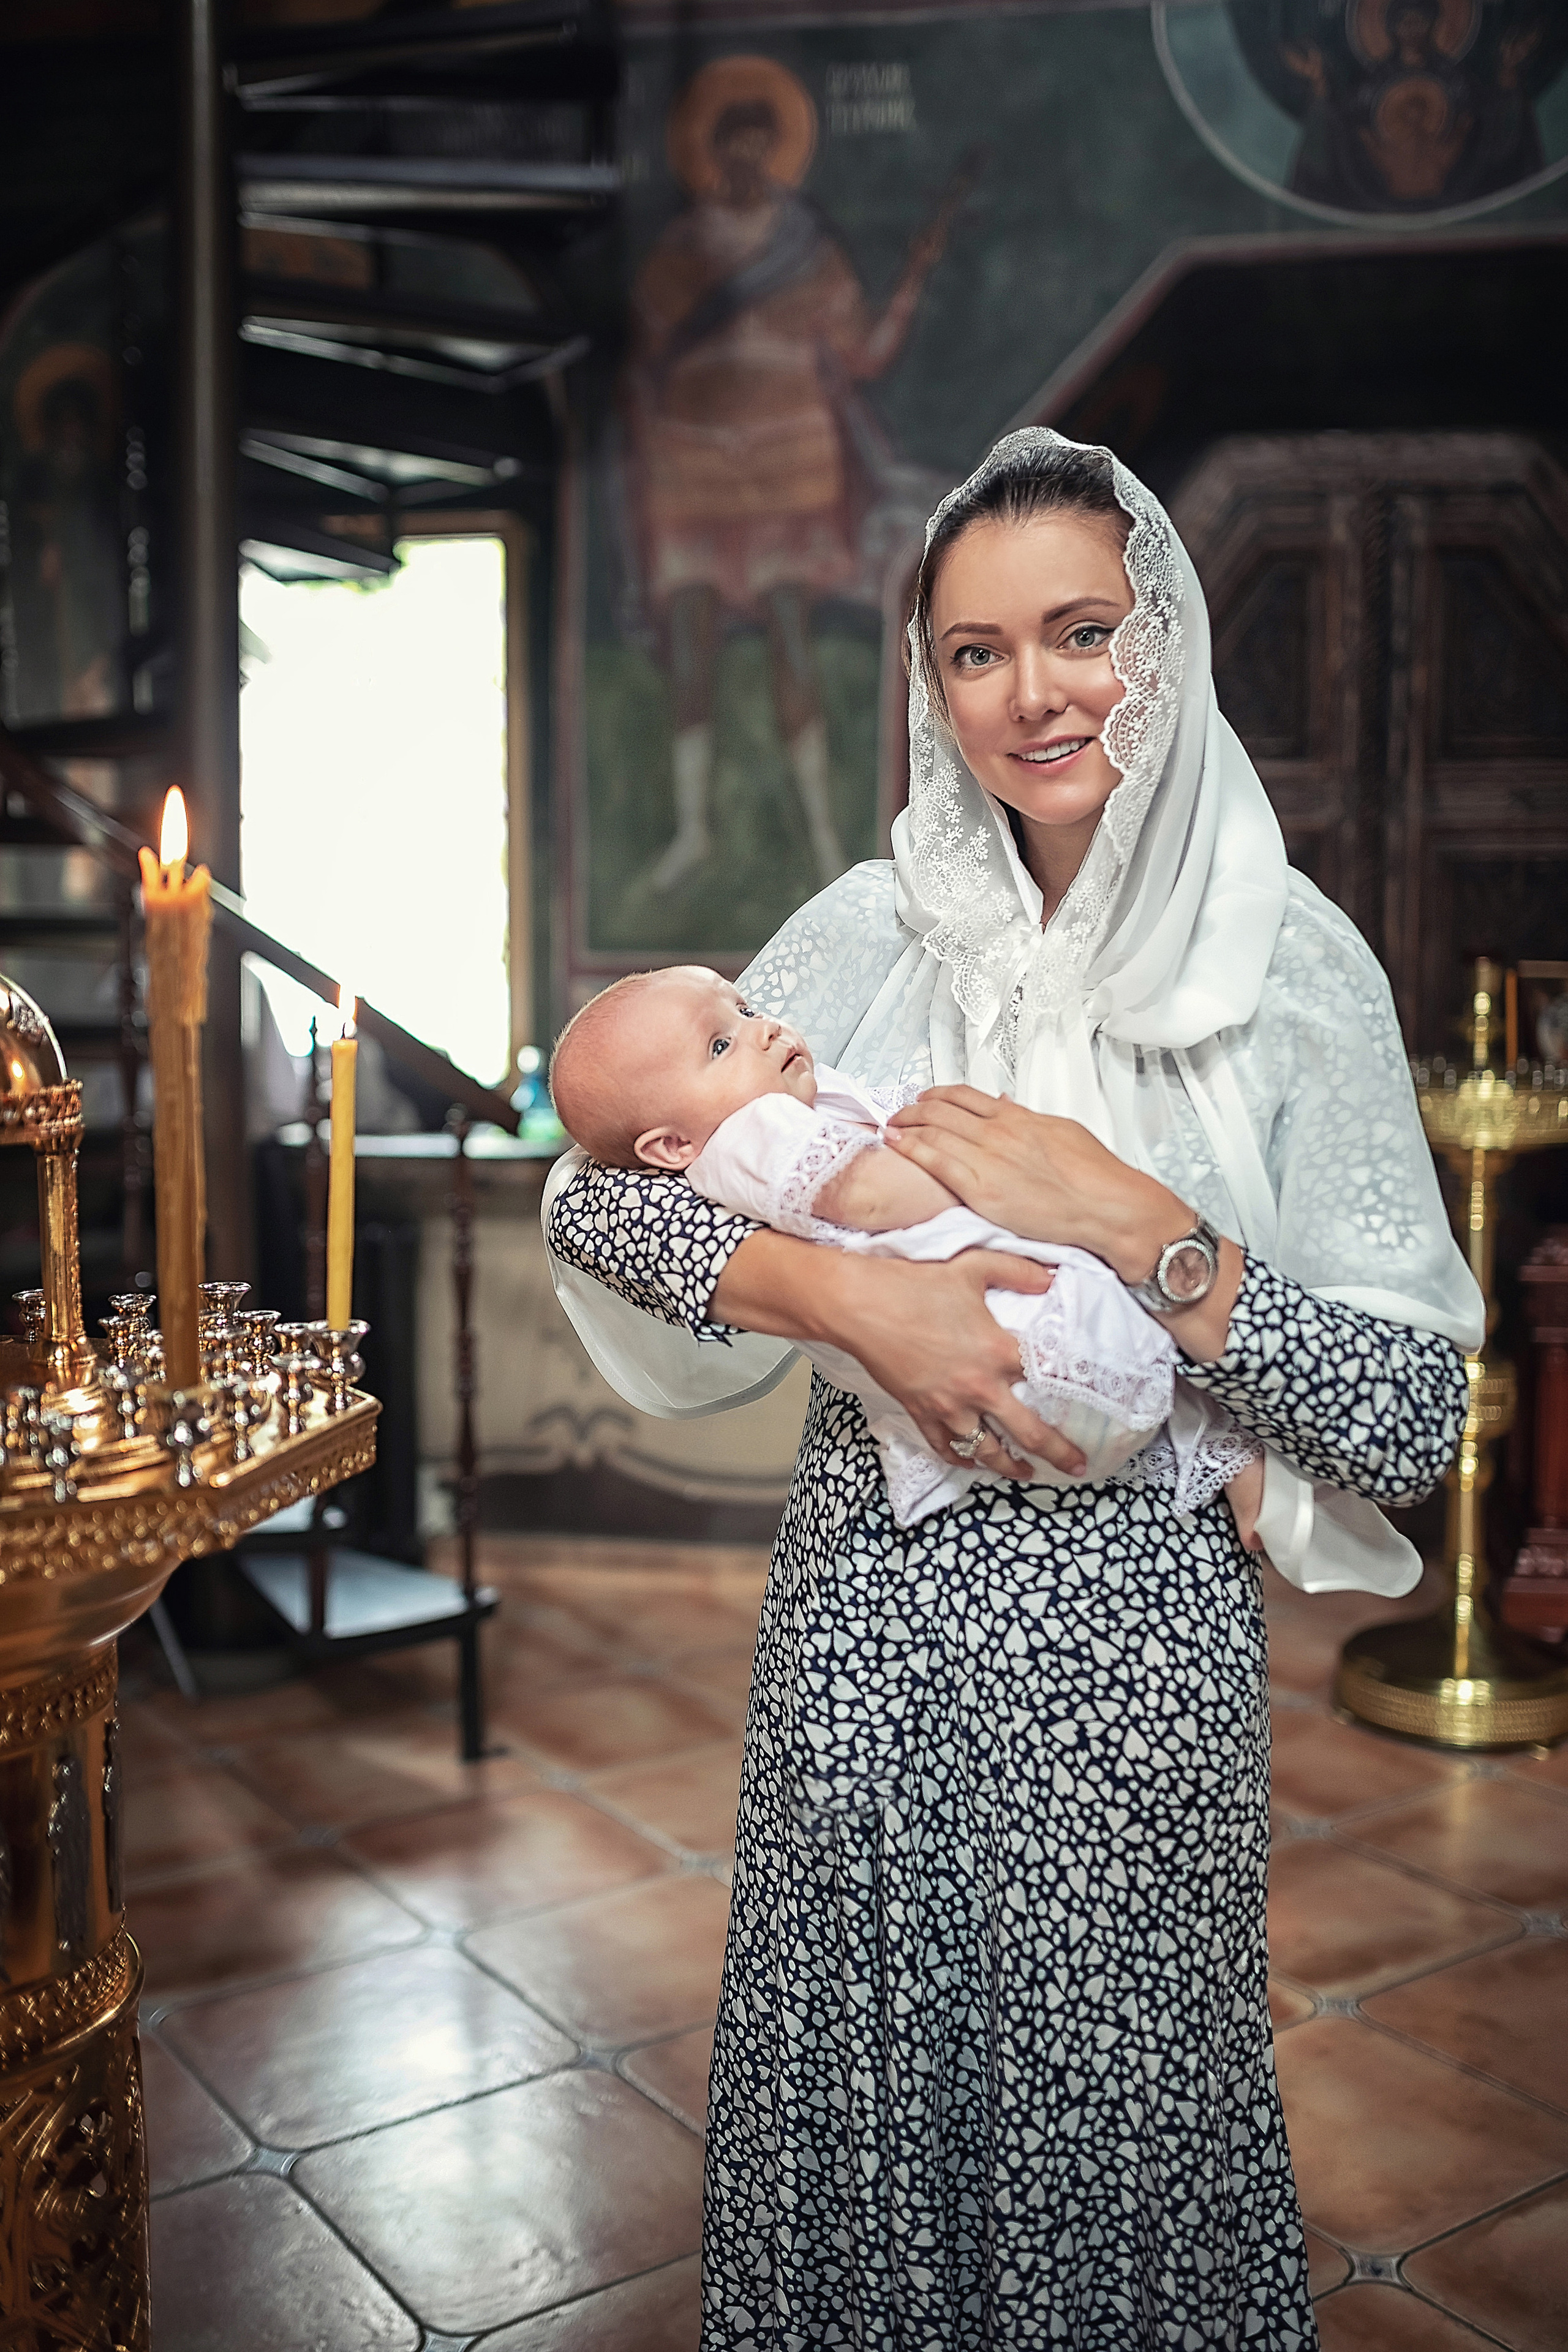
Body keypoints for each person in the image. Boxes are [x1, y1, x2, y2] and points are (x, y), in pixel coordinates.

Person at [543, 429, 1482, 2348]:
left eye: (1081, 632)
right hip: (863, 1645)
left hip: (1127, 1675)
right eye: (975, 651)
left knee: (1115, 2139)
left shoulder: (1293, 969)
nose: (1032, 694)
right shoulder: (865, 932)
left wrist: (1143, 1226)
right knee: (857, 2107)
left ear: (1164, 638)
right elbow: (593, 1191)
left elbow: (1404, 1415)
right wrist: (851, 1299)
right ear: (929, 681)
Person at [548, 960, 1264, 1534]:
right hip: (1013, 1350)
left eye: (743, 1009)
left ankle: (1204, 1438)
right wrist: (1002, 1174)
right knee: (1112, 1299)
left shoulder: (784, 1102)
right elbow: (873, 1195)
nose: (761, 1029)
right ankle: (1211, 1439)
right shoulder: (748, 1138)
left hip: (1013, 1400)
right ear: (671, 1146)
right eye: (719, 1045)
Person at [627, 65, 956, 893]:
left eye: (759, 148)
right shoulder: (680, 251)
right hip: (692, 467)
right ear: (711, 155)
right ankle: (693, 833)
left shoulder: (807, 249)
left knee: (789, 636)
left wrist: (913, 279)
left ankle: (822, 838)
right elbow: (640, 354)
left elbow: (863, 352)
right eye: (731, 149)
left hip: (788, 470)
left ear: (776, 152)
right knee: (690, 643)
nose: (746, 164)